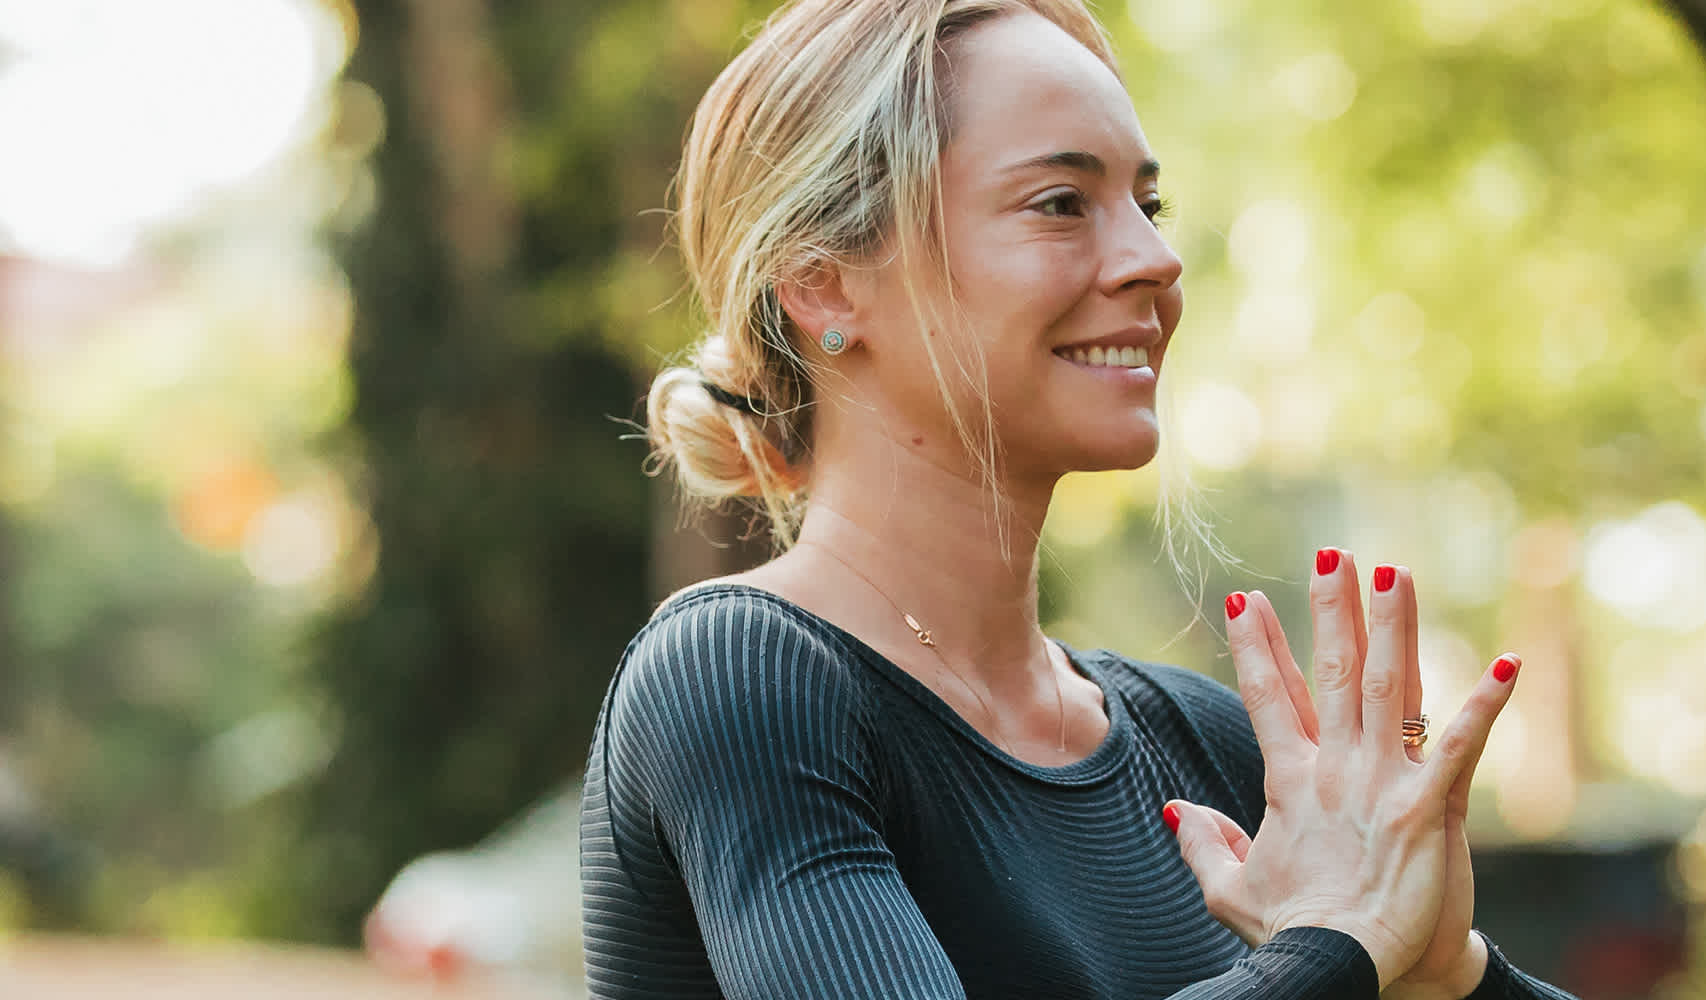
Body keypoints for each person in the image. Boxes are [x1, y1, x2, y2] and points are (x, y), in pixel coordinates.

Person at [579, 2, 1581, 998]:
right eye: (1061, 202)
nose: (1155, 259)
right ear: (824, 281)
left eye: (1149, 206)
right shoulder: (736, 679)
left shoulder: (1208, 748)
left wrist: (1445, 972)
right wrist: (1334, 942)